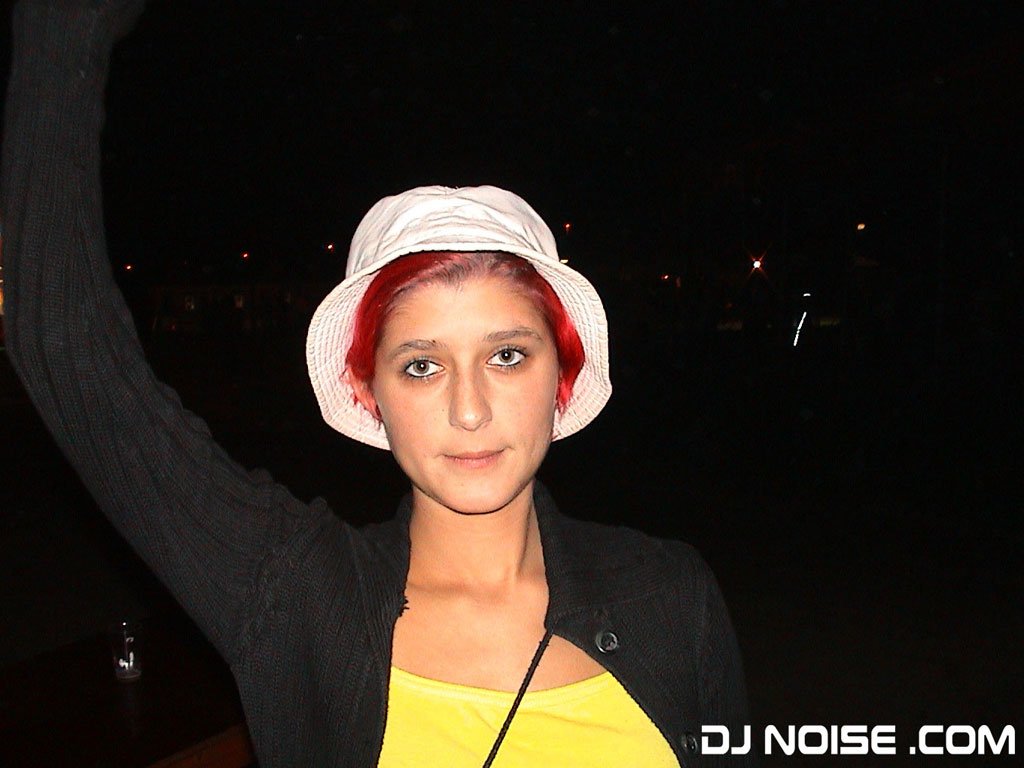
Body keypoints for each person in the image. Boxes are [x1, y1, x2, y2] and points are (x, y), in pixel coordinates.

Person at [1, 1, 753, 766]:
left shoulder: (669, 595)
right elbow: (67, 351)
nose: (469, 410)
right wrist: (67, 26)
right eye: (422, 365)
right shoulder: (301, 598)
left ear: (561, 374)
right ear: (367, 391)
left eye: (507, 356)